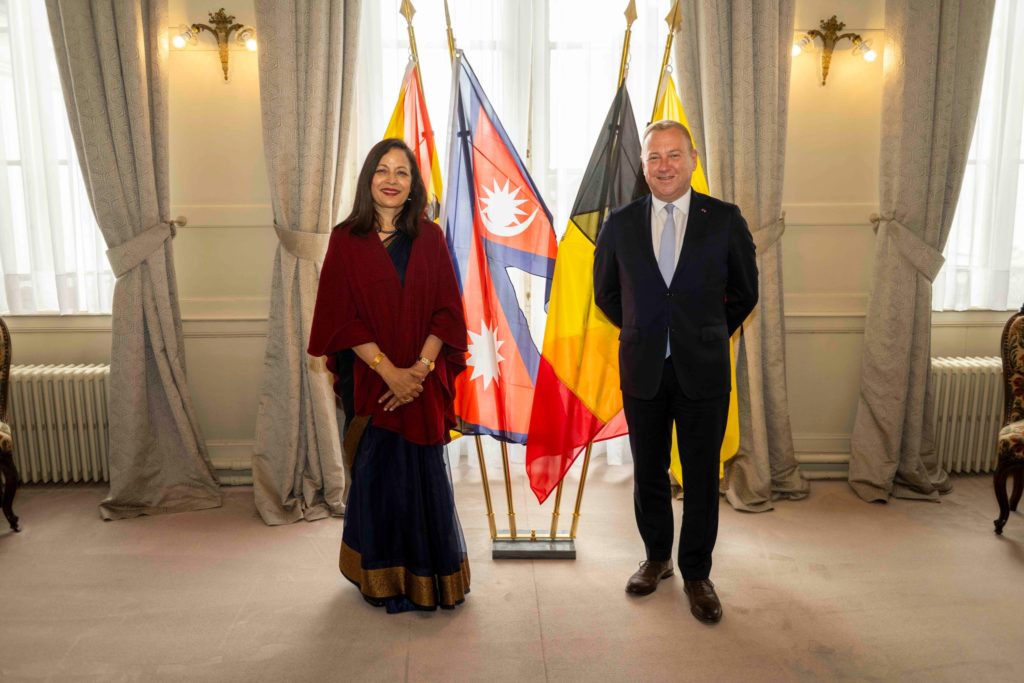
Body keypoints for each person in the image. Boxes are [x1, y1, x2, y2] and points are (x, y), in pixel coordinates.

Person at [593, 120, 758, 624]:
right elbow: (607, 294)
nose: (664, 165)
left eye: (673, 155)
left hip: (702, 369)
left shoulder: (724, 219)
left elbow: (744, 292)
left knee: (702, 476)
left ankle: (698, 573)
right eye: (654, 157)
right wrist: (647, 328)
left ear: (692, 160)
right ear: (643, 166)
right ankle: (656, 558)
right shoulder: (620, 223)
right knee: (648, 471)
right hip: (643, 367)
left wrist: (705, 332)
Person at [308, 138, 469, 613]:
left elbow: (447, 313)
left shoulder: (430, 238)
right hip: (371, 385)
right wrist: (389, 373)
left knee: (422, 479)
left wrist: (417, 372)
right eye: (383, 170)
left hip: (422, 382)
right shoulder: (345, 240)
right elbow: (339, 319)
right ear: (368, 179)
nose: (392, 180)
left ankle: (431, 579)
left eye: (402, 171)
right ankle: (380, 578)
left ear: (413, 183)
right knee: (379, 480)